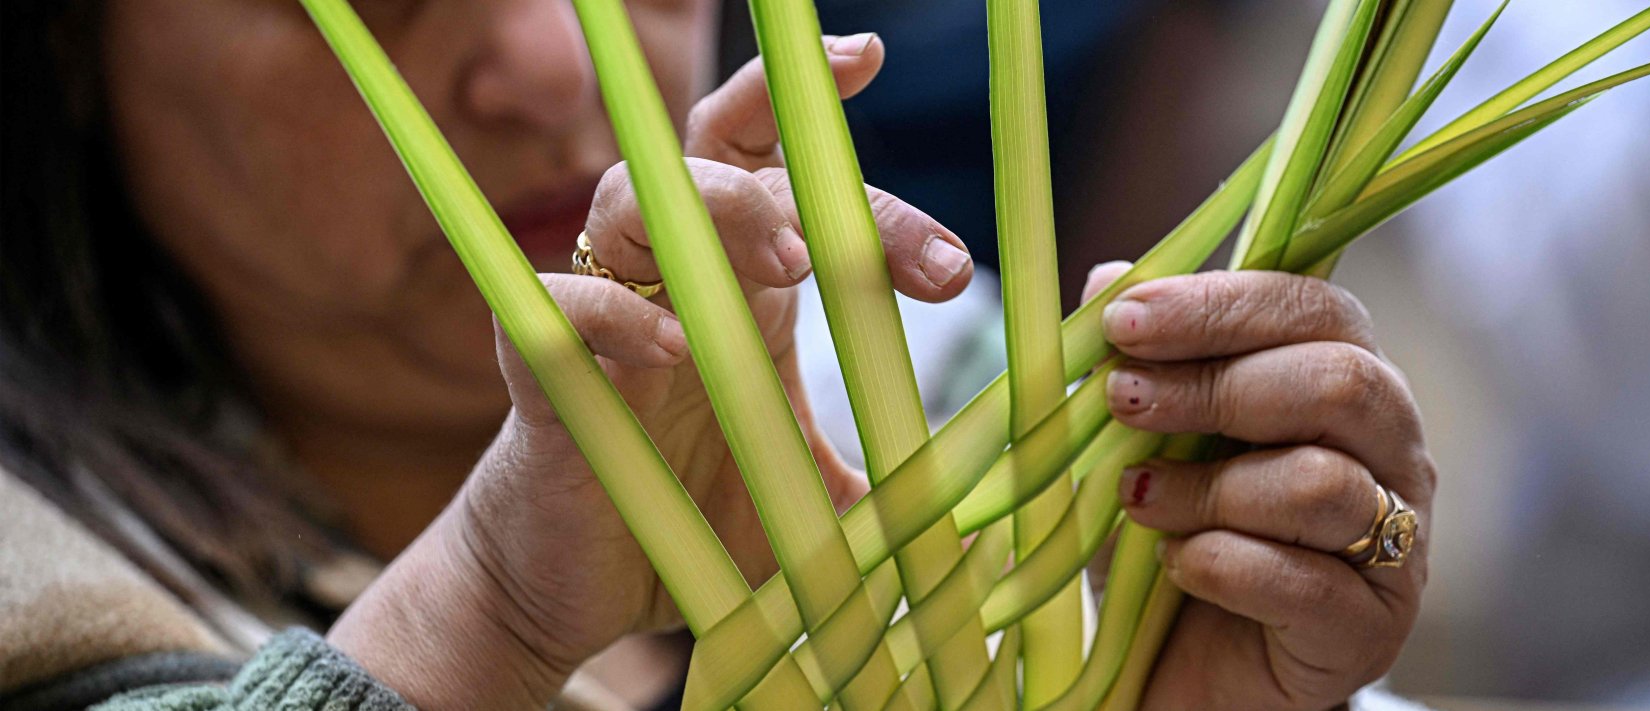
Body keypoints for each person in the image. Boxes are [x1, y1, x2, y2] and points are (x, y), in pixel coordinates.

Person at [1, 2, 1435, 709]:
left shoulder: (944, 385)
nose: (556, 63)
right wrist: (486, 609)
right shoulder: (41, 571)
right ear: (67, 49)